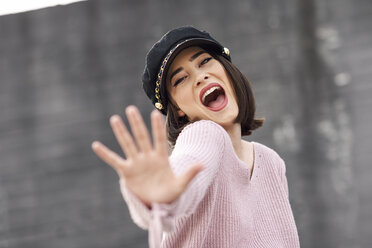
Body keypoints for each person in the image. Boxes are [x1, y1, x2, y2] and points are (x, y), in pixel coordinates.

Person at [91, 26, 300, 248]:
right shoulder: (205, 135)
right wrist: (162, 194)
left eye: (204, 61)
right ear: (178, 109)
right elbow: (189, 165)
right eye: (180, 79)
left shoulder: (271, 162)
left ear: (227, 69)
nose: (200, 76)